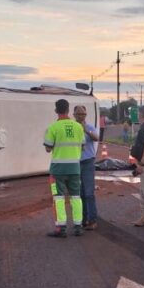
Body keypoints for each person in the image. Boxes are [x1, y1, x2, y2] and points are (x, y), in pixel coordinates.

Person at [43, 98, 85, 237]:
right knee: (76, 197)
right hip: (75, 168)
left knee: (59, 198)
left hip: (58, 170)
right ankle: (78, 226)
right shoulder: (79, 127)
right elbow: (83, 147)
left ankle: (61, 228)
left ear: (56, 111)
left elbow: (48, 149)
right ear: (68, 110)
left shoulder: (52, 128)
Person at [74, 104, 100, 231]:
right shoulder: (72, 128)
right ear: (74, 115)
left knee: (89, 193)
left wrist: (86, 130)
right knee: (80, 193)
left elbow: (96, 138)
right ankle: (83, 219)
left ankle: (92, 220)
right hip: (76, 163)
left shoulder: (89, 127)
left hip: (88, 162)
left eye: (83, 114)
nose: (81, 116)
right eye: (78, 114)